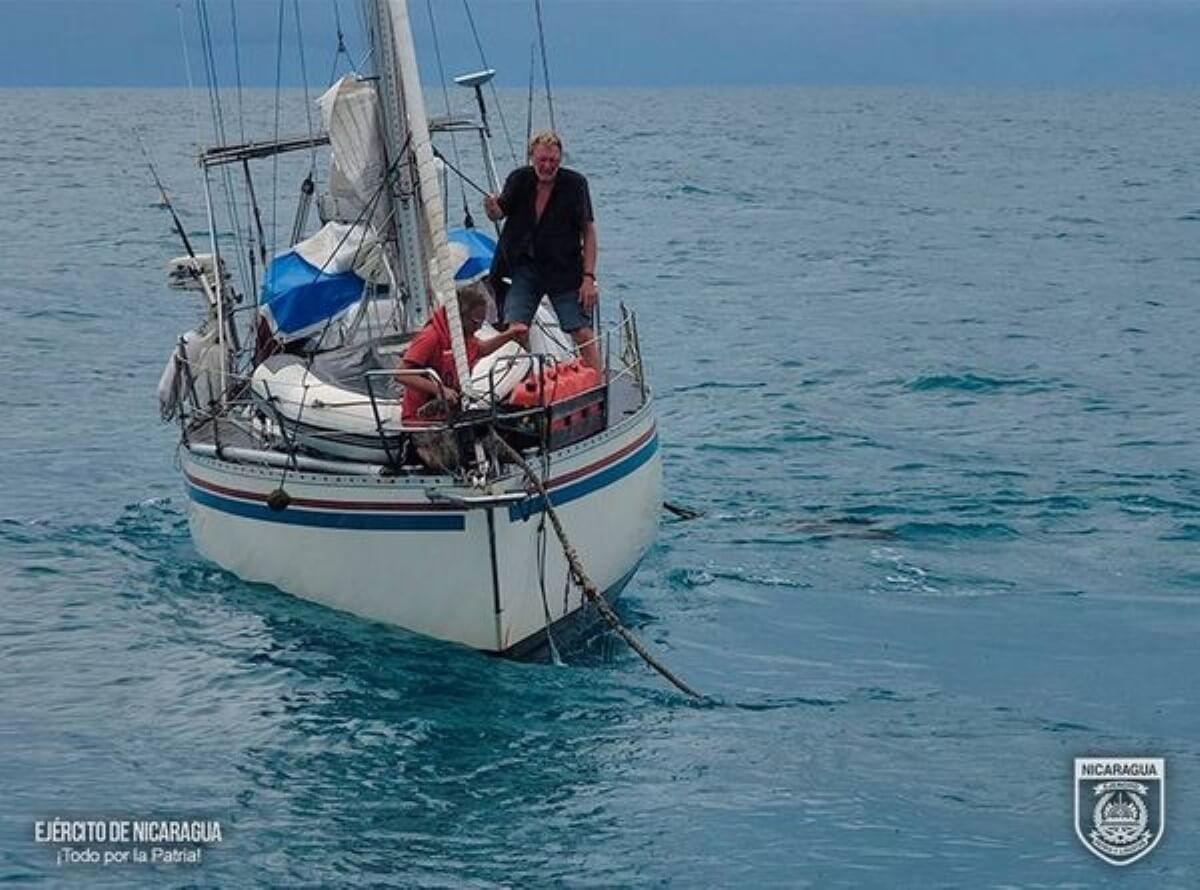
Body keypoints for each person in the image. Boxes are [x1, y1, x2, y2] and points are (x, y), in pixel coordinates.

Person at [484, 130, 601, 370]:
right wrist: (490, 206)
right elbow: (498, 213)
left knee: (581, 332)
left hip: (563, 269)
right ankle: (526, 381)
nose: (547, 166)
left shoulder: (575, 184)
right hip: (524, 266)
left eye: (553, 161)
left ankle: (598, 385)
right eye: (542, 161)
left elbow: (588, 231)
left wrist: (588, 277)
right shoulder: (519, 179)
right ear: (531, 158)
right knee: (516, 328)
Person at [399, 285, 527, 421]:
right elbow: (401, 374)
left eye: (481, 324)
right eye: (476, 322)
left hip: (449, 413)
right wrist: (439, 390)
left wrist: (509, 335)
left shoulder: (464, 336)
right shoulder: (430, 337)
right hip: (421, 420)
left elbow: (480, 349)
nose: (478, 329)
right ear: (459, 316)